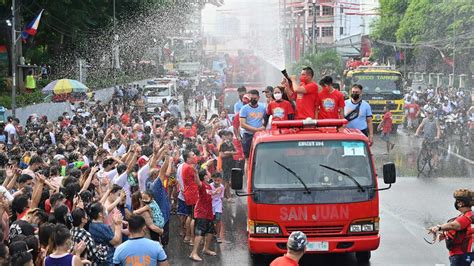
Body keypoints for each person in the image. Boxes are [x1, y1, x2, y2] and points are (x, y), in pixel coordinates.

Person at [428, 189, 473, 266]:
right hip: (461, 254)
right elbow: (461, 231)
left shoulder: (467, 217)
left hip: (460, 255)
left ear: (460, 203)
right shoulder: (467, 215)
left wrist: (438, 227)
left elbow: (454, 225)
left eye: (456, 201)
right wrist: (445, 235)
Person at [189, 169, 216, 262]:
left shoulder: (208, 186)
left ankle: (206, 249)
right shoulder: (202, 184)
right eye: (208, 172)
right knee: (200, 233)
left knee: (210, 231)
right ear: (204, 176)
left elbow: (209, 194)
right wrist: (196, 173)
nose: (209, 173)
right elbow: (198, 183)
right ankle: (193, 253)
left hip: (208, 212)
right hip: (201, 212)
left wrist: (215, 192)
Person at [239, 89, 266, 159]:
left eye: (255, 98)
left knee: (260, 157)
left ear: (258, 98)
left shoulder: (263, 108)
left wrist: (263, 127)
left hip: (260, 135)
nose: (253, 100)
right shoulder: (244, 109)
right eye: (251, 98)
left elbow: (266, 120)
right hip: (248, 135)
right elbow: (242, 124)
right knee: (248, 158)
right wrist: (256, 129)